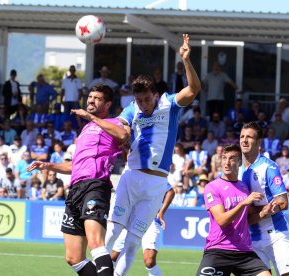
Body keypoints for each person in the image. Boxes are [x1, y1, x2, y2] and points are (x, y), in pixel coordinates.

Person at [104, 34, 201, 275]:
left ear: (155, 94)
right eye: (139, 100)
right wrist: (123, 130)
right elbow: (121, 127)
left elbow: (194, 89)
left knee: (133, 243)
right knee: (113, 232)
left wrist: (187, 61)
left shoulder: (169, 104)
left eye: (147, 99)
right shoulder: (132, 108)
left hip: (157, 183)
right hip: (132, 177)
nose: (144, 104)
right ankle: (93, 270)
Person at [27, 83, 128, 276]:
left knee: (96, 243)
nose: (91, 100)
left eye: (97, 98)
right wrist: (48, 165)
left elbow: (123, 135)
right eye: (90, 97)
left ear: (107, 104)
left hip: (95, 185)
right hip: (75, 189)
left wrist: (91, 116)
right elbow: (75, 166)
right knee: (73, 258)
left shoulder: (114, 123)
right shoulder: (85, 130)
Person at [196, 144, 271, 276]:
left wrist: (265, 211)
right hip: (218, 250)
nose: (226, 162)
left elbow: (246, 218)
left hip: (244, 252)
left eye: (231, 158)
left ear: (239, 162)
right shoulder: (212, 187)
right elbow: (221, 220)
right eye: (224, 158)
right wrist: (244, 203)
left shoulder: (243, 186)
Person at [239, 122, 289, 276]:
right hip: (249, 239)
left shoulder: (268, 167)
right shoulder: (235, 169)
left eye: (249, 137)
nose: (244, 140)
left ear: (259, 143)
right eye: (242, 136)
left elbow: (283, 202)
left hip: (275, 234)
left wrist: (261, 211)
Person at [111, 185, 175, 276]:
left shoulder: (155, 175)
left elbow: (171, 191)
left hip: (152, 220)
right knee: (114, 256)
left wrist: (161, 212)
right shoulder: (132, 174)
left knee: (149, 261)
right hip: (131, 219)